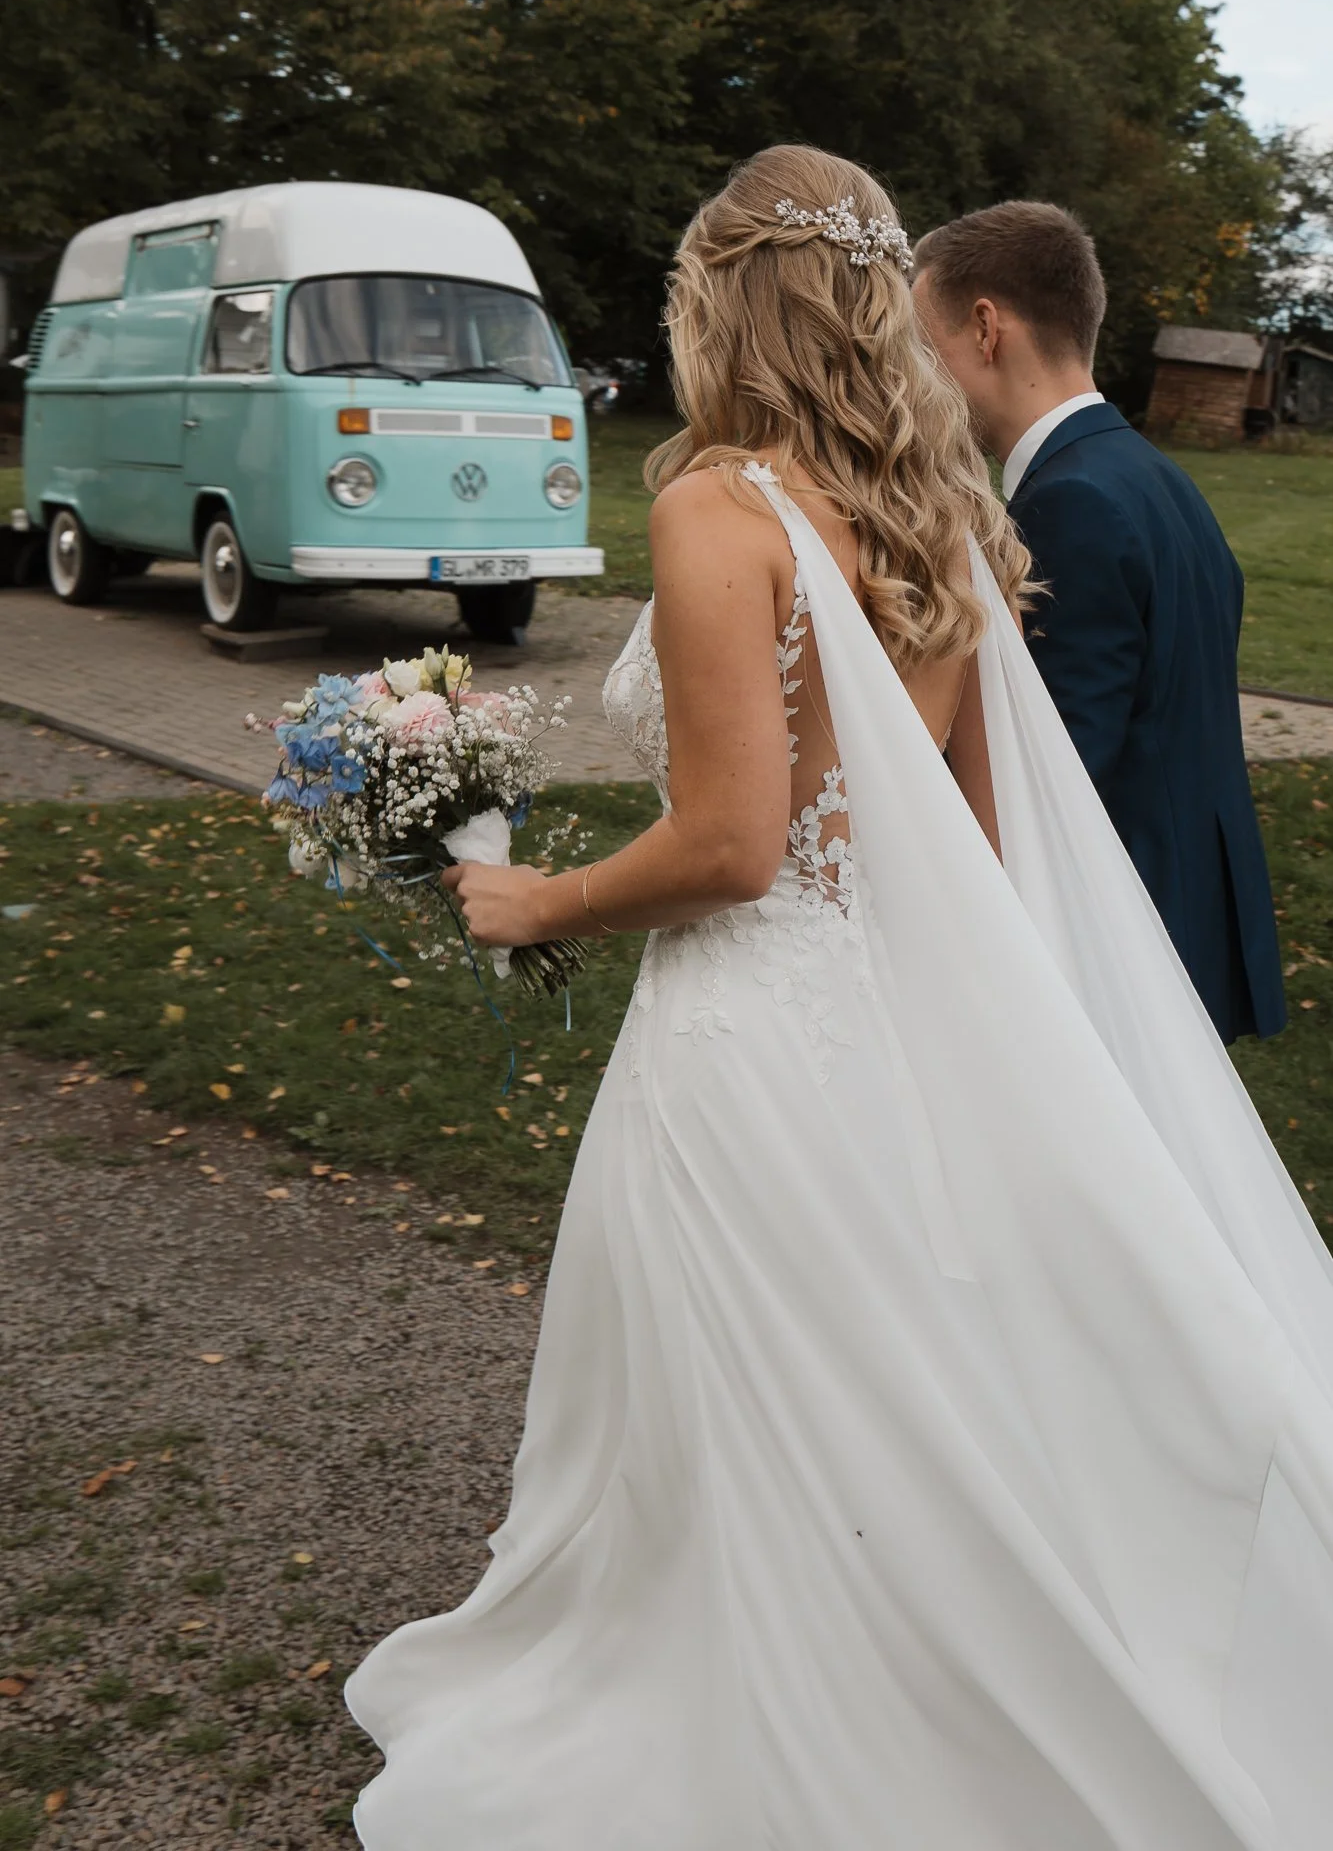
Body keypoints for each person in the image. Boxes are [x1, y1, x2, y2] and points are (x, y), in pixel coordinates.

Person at [345, 147, 1333, 1850]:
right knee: (873, 1392)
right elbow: (973, 842)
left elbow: (733, 845)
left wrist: (534, 899)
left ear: (725, 304)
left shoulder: (716, 510)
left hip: (742, 1027)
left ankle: (764, 1735)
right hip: (881, 1019)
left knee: (733, 1393)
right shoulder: (948, 515)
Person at [912, 202, 1285, 1046]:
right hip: (1189, 904)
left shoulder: (1067, 505)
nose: (914, 376)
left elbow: (1049, 771)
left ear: (984, 329)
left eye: (921, 344)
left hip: (1122, 941)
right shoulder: (1153, 476)